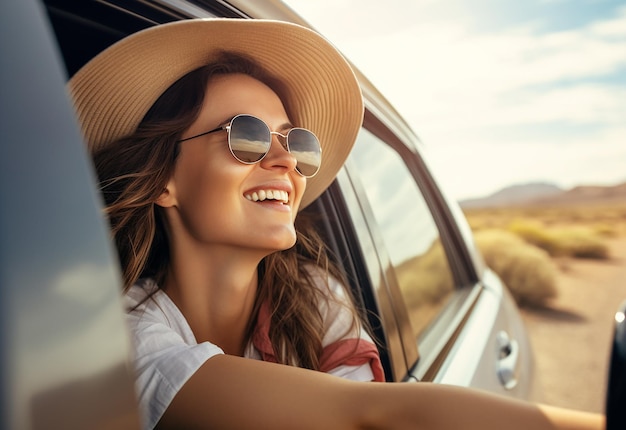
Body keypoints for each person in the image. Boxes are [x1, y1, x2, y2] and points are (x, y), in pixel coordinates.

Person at [68, 18, 604, 430]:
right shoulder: (119, 339)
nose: (285, 162)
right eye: (247, 136)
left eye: (295, 141)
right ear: (165, 180)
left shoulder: (315, 295)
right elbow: (374, 418)